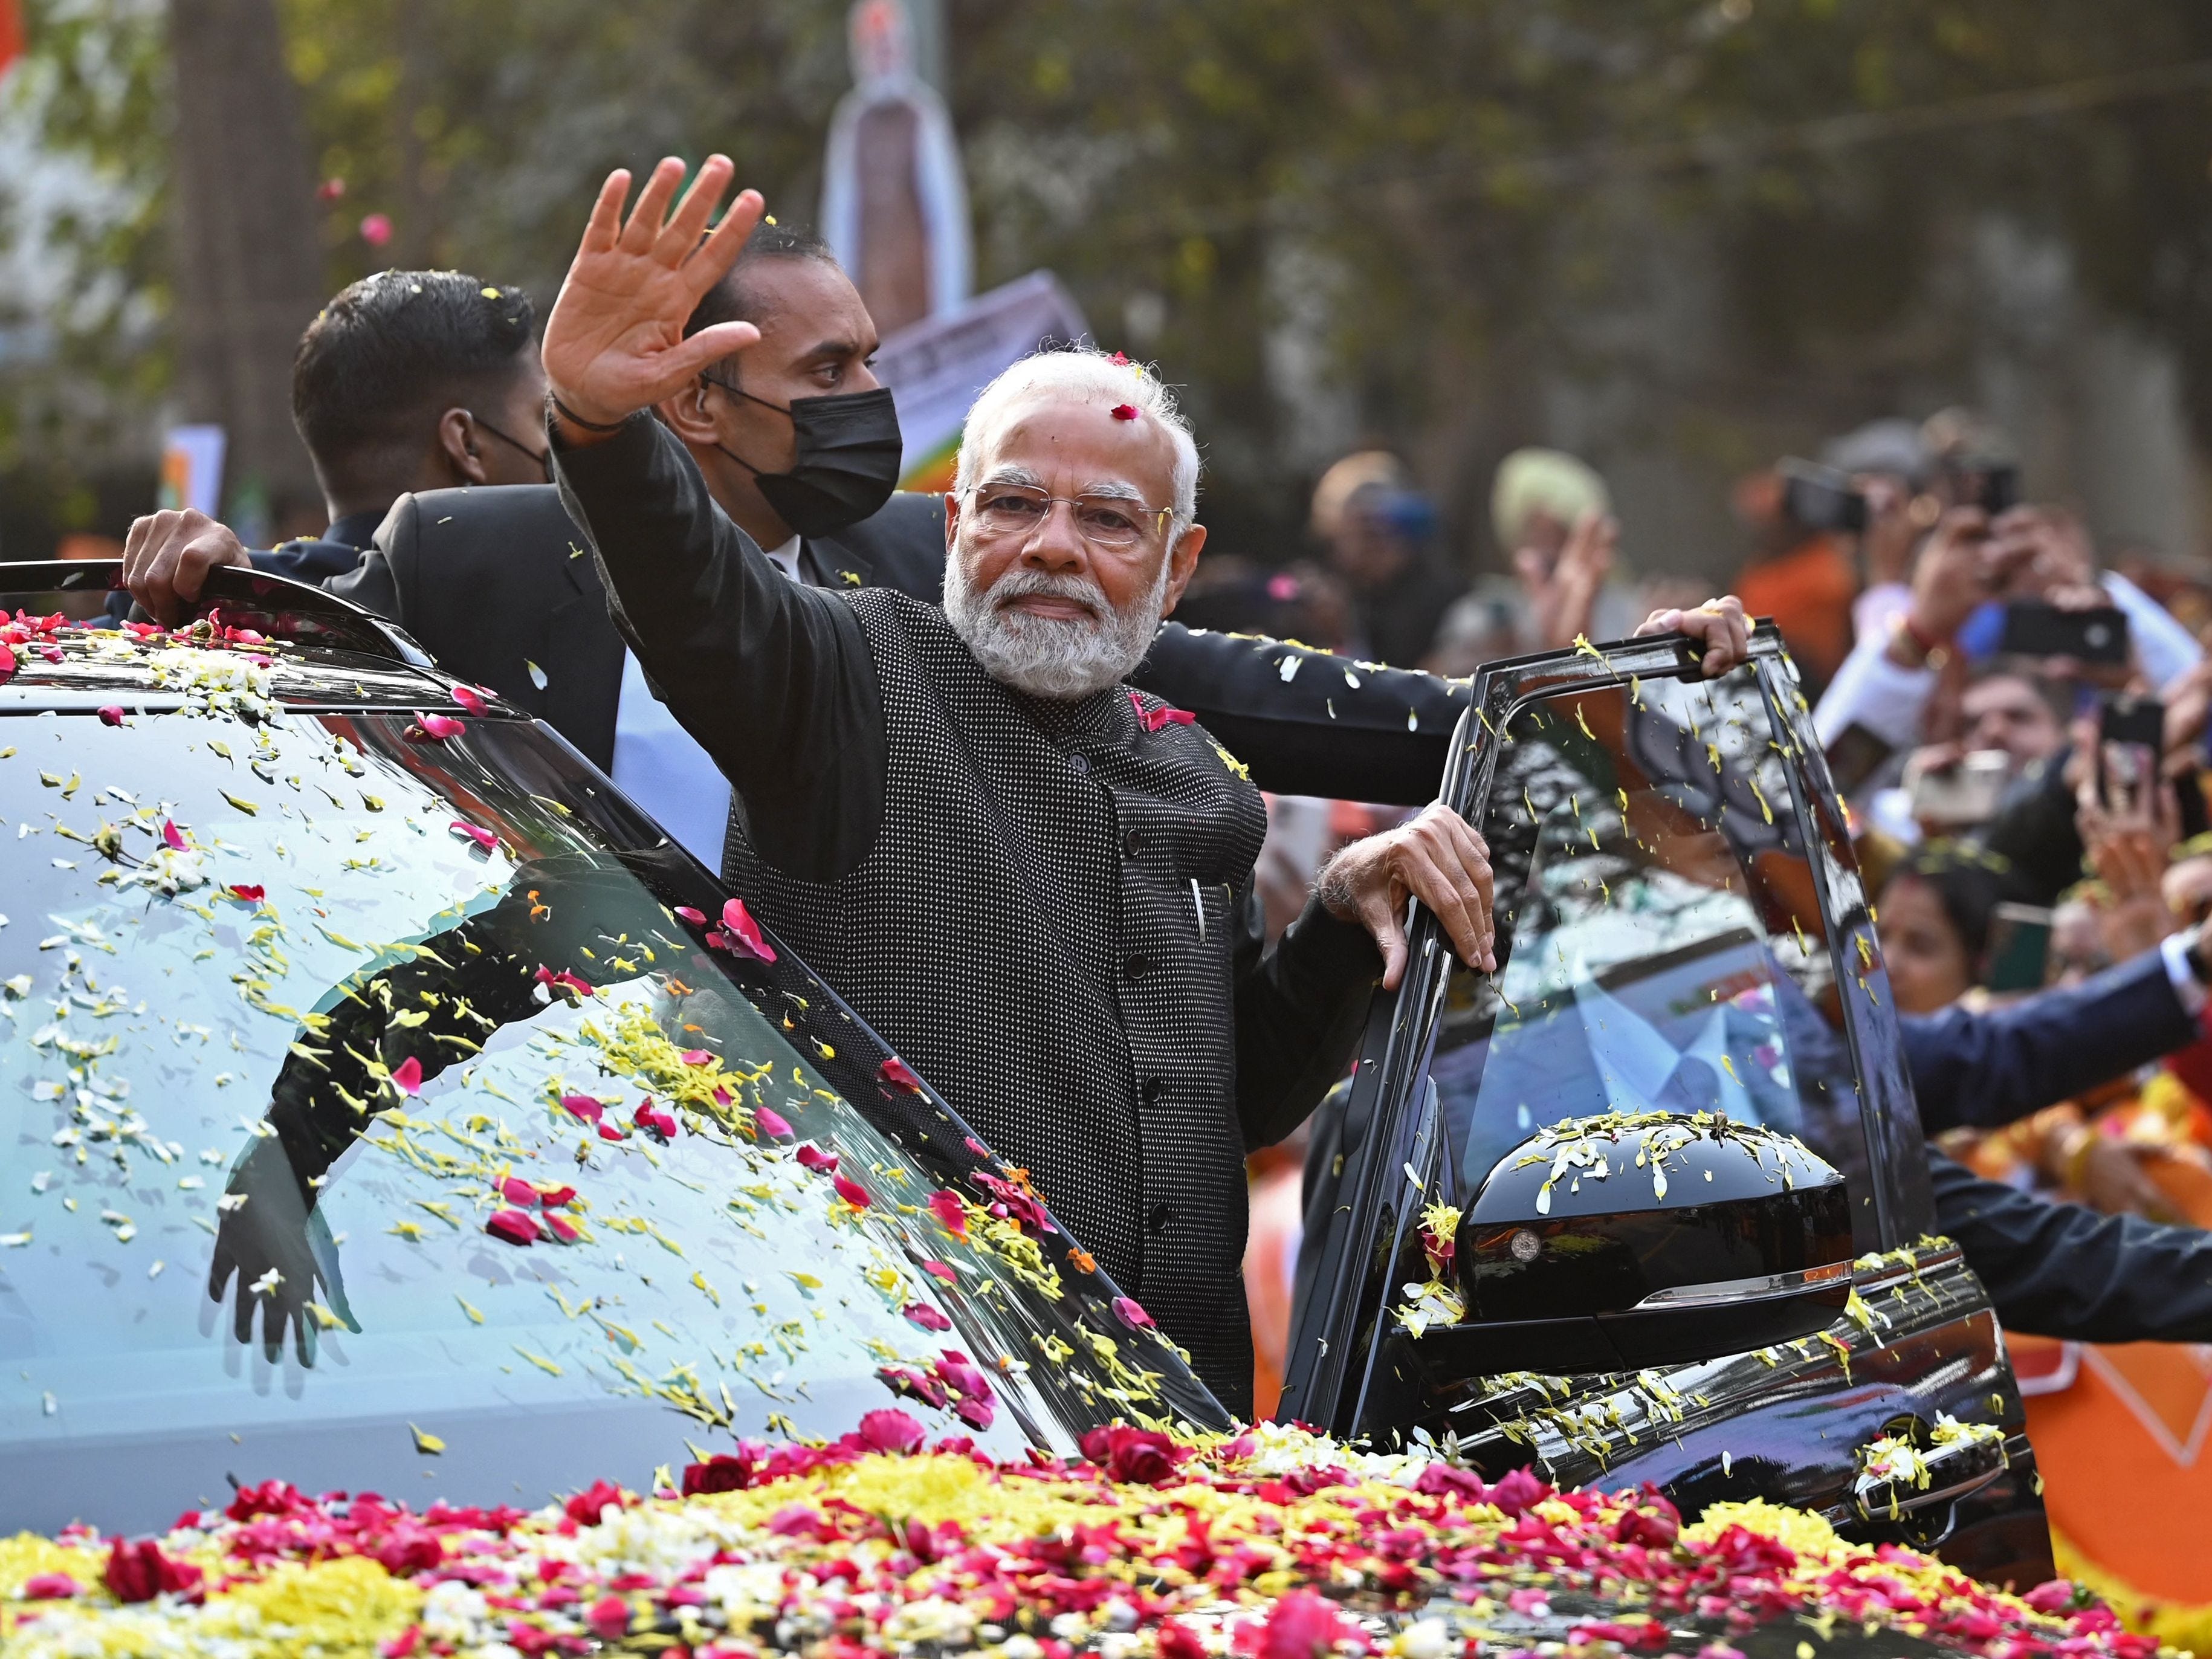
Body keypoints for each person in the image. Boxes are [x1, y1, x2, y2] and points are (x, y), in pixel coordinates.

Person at [526, 154, 1523, 1411]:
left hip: (1189, 1450)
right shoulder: (845, 686)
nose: (1051, 545)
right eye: (1011, 504)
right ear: (952, 532)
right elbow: (697, 599)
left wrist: (1336, 915)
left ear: (1177, 569)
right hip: (915, 1441)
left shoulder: (1197, 776)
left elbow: (1229, 1101)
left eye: (1107, 520)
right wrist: (600, 430)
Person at [270, 270, 553, 578]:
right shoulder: (553, 603)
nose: (559, 441)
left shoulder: (252, 610)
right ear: (467, 444)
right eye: (544, 417)